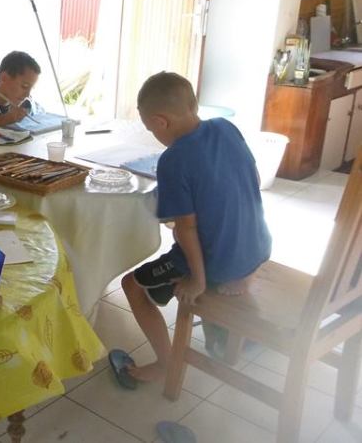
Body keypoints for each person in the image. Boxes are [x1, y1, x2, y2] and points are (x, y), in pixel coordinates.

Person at [116, 71, 271, 384]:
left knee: (133, 285)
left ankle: (165, 365)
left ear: (160, 122)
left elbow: (185, 229)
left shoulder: (173, 160)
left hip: (220, 261)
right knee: (188, 256)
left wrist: (198, 280)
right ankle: (244, 280)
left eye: (150, 129)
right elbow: (253, 179)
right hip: (259, 245)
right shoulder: (226, 127)